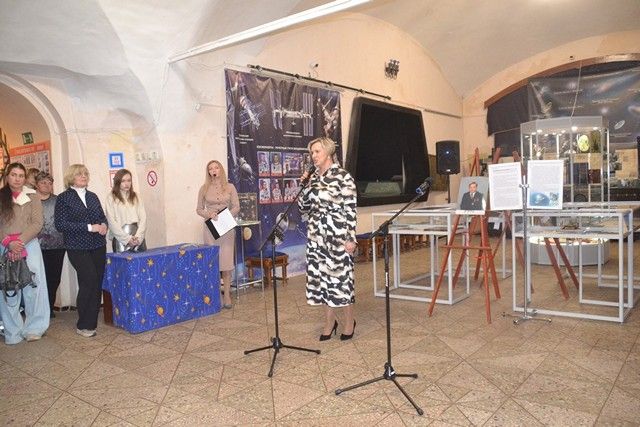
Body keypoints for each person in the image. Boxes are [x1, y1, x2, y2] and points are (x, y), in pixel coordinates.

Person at [299, 137, 357, 341]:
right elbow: (303, 208)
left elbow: (350, 210)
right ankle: (329, 322)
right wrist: (304, 186)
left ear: (328, 152)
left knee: (341, 280)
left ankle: (349, 322)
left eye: (317, 151)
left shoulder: (343, 177)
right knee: (322, 281)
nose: (313, 156)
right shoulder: (313, 177)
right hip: (316, 237)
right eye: (312, 152)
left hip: (337, 237)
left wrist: (350, 238)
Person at [54, 164, 107, 338]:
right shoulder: (64, 198)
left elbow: (102, 217)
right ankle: (83, 324)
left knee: (96, 282)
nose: (84, 176)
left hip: (98, 245)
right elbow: (61, 225)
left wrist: (104, 225)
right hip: (77, 247)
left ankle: (91, 322)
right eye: (79, 174)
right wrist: (90, 227)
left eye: (85, 173)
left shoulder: (92, 196)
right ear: (71, 177)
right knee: (89, 280)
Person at [0, 163, 49, 344]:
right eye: (14, 175)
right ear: (7, 176)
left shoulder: (33, 196)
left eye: (21, 175)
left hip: (29, 245)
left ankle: (34, 328)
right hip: (5, 246)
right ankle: (12, 331)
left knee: (33, 287)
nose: (17, 179)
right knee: (9, 289)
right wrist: (8, 243)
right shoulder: (1, 196)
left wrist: (19, 243)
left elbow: (37, 223)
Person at [196, 160, 240, 309]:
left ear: (220, 170)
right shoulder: (203, 188)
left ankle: (227, 295)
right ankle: (217, 296)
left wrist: (225, 216)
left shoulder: (230, 187)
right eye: (210, 169)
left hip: (226, 227)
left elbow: (236, 207)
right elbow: (199, 209)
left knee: (226, 263)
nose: (214, 170)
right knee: (214, 262)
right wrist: (209, 214)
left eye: (216, 167)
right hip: (211, 229)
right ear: (208, 172)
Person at [35, 171, 66, 318]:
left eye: (50, 183)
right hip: (36, 246)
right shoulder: (31, 201)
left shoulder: (58, 200)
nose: (47, 185)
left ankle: (49, 307)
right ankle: (38, 308)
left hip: (58, 245)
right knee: (38, 278)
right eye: (43, 182)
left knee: (54, 278)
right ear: (36, 184)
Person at [105, 169, 147, 253]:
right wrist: (127, 239)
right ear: (118, 182)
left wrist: (138, 237)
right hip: (120, 240)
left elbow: (143, 218)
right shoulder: (111, 198)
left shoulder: (136, 196)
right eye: (123, 181)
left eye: (129, 180)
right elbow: (111, 222)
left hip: (137, 238)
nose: (127, 184)